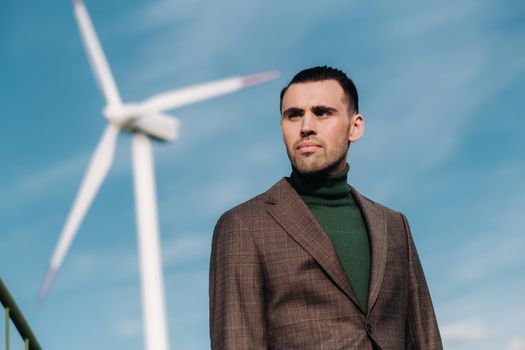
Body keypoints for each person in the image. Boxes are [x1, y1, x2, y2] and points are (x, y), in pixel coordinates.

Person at [209, 66, 442, 349]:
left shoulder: (395, 226)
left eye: (322, 112)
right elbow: (237, 341)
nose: (306, 126)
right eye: (293, 115)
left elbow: (426, 339)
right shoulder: (244, 224)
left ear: (355, 127)